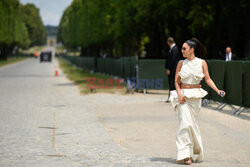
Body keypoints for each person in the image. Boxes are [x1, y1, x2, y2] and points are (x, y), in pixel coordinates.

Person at [169, 38, 226, 165]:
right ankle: (186, 155)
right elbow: (176, 82)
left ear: (191, 50)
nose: (182, 51)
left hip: (195, 97)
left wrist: (217, 90)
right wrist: (179, 94)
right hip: (183, 96)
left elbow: (207, 78)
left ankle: (195, 150)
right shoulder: (181, 63)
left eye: (184, 48)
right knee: (184, 124)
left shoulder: (202, 63)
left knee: (192, 125)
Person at [165, 37, 181, 102]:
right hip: (172, 69)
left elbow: (172, 60)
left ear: (169, 42)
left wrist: (169, 68)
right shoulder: (172, 49)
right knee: (171, 83)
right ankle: (172, 96)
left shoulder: (174, 49)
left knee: (172, 82)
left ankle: (173, 96)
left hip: (173, 69)